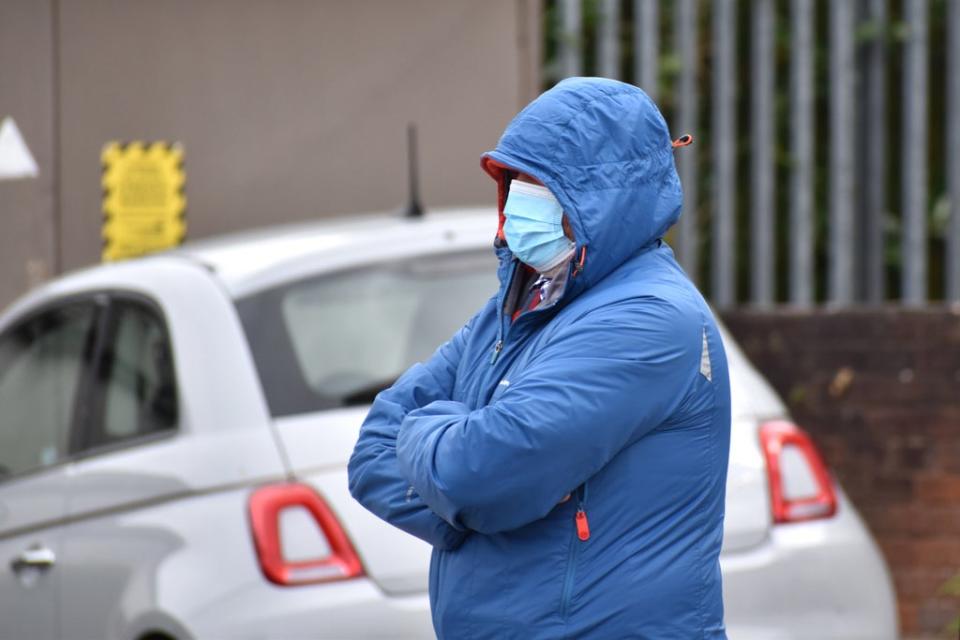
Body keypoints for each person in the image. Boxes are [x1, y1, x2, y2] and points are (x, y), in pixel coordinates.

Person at [348, 77, 731, 639]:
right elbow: (372, 452)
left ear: (604, 197)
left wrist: (453, 466)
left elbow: (478, 474)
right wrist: (474, 510)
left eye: (541, 183)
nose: (519, 198)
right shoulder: (518, 303)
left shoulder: (647, 318)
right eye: (514, 180)